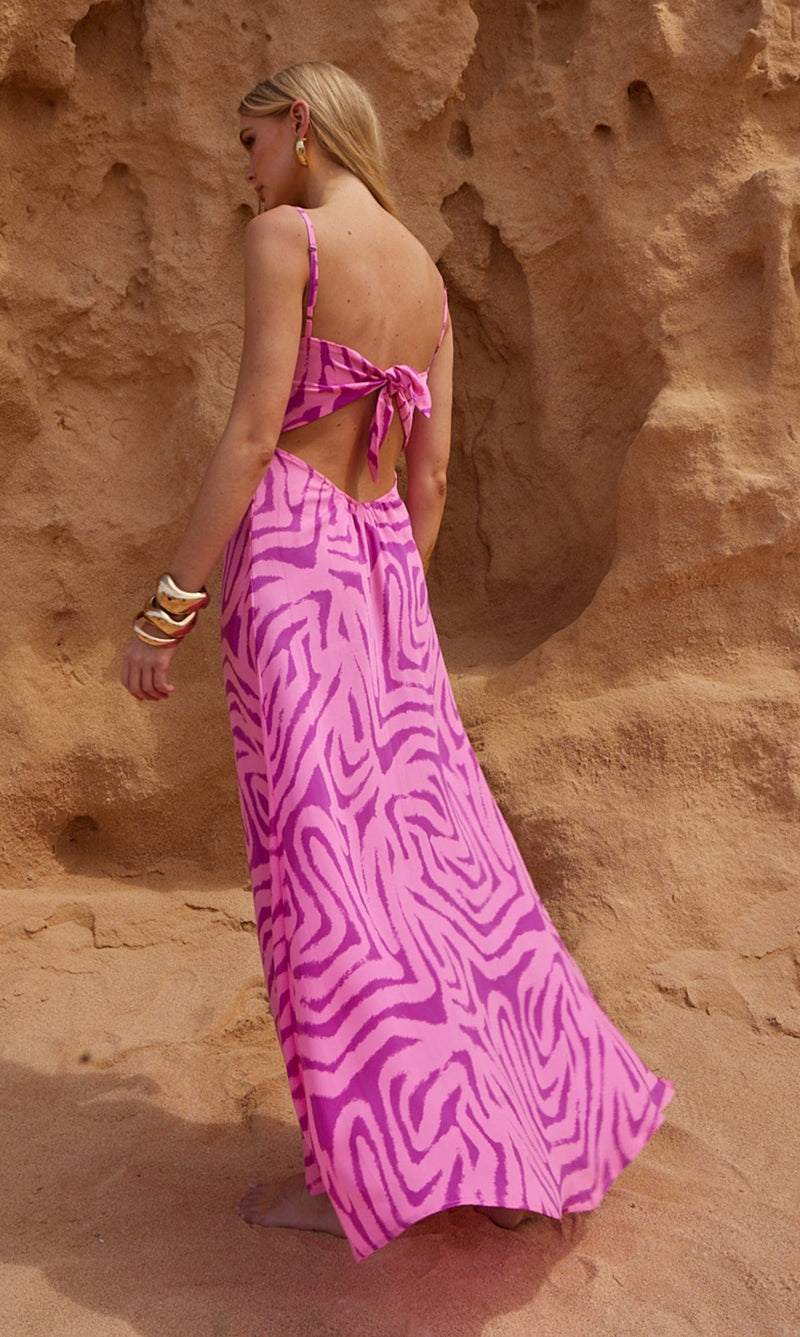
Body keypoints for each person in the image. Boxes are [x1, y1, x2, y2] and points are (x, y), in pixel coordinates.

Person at [121, 61, 674, 1263]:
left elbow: (256, 427)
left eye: (253, 139)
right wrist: (387, 605)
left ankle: (359, 1173)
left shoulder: (288, 240)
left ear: (303, 128)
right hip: (381, 571)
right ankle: (521, 1138)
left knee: (322, 868)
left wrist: (168, 605)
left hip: (291, 556)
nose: (248, 167)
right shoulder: (423, 274)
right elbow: (427, 481)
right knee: (441, 863)